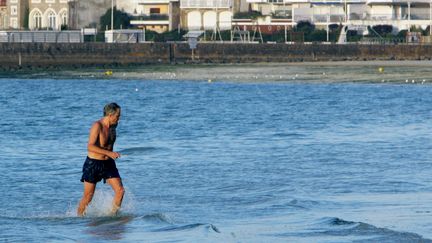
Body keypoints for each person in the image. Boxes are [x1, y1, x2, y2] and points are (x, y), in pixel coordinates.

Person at [77, 103, 125, 216]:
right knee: (88, 196)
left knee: (120, 191)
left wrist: (111, 154)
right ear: (110, 115)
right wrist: (109, 153)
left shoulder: (114, 126)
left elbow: (109, 144)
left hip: (108, 163)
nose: (119, 118)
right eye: (118, 116)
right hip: (93, 163)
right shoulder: (97, 126)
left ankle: (112, 216)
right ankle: (78, 219)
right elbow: (90, 146)